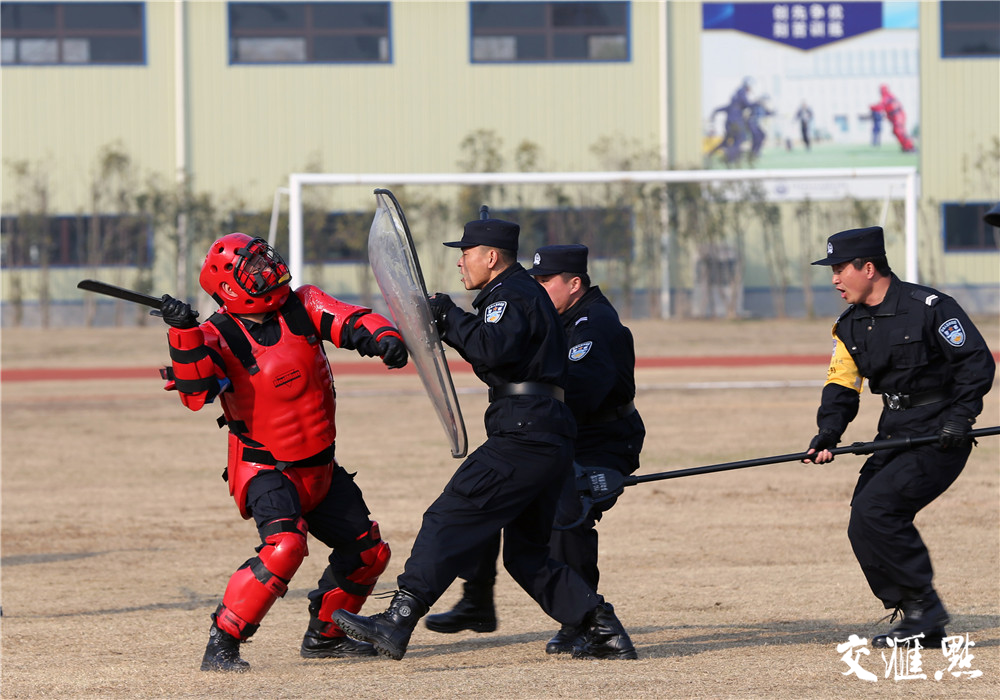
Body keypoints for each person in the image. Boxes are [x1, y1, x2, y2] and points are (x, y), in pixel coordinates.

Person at [330, 215, 637, 661]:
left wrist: (448, 315)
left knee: (448, 516)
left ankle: (397, 620)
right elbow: (498, 357)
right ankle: (602, 629)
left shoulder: (510, 294)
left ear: (491, 258)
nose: (460, 263)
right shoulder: (514, 295)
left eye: (466, 253)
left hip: (525, 433)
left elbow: (492, 348)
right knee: (527, 554)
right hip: (544, 432)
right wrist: (450, 322)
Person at [157, 232, 408, 672]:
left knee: (370, 553)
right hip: (266, 468)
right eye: (252, 268)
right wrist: (183, 333)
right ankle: (223, 643)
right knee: (285, 547)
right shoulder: (214, 336)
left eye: (263, 261)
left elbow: (352, 321)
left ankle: (326, 637)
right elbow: (195, 393)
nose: (266, 270)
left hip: (321, 467)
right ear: (230, 285)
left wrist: (383, 337)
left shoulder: (303, 303)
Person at [423, 243, 645, 655]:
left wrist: (533, 406)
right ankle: (477, 599)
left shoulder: (594, 323)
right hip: (559, 436)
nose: (538, 288)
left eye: (547, 281)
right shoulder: (549, 316)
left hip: (601, 440)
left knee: (567, 517)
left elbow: (582, 393)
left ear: (575, 284)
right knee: (489, 494)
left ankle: (582, 623)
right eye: (535, 279)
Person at [803, 226, 995, 648]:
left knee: (879, 510)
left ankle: (926, 606)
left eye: (839, 269)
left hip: (941, 431)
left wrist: (961, 418)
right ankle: (918, 616)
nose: (834, 278)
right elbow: (842, 384)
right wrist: (827, 433)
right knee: (862, 521)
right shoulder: (849, 325)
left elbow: (975, 364)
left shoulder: (930, 307)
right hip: (895, 430)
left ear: (867, 268)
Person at [871, 84, 914, 153]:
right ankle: (905, 147)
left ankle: (910, 147)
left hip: (898, 117)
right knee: (896, 132)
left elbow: (880, 106)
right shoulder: (888, 97)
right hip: (896, 117)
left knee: (900, 132)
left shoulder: (887, 97)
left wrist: (871, 107)